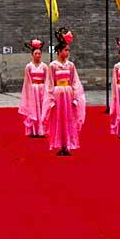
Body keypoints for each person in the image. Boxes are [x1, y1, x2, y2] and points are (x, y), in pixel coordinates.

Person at [45, 27, 86, 156]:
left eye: (68, 50)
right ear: (59, 51)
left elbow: (75, 82)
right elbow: (50, 83)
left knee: (68, 119)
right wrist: (51, 99)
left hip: (68, 94)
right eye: (65, 50)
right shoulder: (53, 65)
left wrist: (75, 97)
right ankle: (60, 145)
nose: (67, 52)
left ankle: (68, 145)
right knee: (59, 119)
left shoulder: (70, 65)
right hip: (58, 94)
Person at [18, 39, 48, 137]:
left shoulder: (44, 66)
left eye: (39, 53)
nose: (38, 55)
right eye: (36, 53)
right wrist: (28, 93)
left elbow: (47, 80)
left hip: (42, 89)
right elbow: (27, 81)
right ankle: (33, 130)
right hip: (33, 89)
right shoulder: (29, 66)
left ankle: (42, 130)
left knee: (41, 109)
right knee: (33, 108)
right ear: (32, 55)